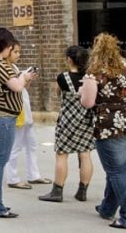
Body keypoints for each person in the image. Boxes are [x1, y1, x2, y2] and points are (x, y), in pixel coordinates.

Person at [80, 33, 126, 230]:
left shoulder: (94, 72)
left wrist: (81, 92)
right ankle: (107, 208)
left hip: (111, 131)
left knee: (117, 172)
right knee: (117, 169)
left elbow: (88, 103)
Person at [0, 27, 37, 219]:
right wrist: (24, 76)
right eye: (11, 47)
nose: (12, 50)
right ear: (5, 46)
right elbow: (17, 86)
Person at [39, 45, 94, 203]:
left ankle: (57, 190)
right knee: (85, 155)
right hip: (85, 120)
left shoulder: (63, 77)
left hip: (67, 122)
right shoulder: (89, 78)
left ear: (69, 60)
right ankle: (82, 191)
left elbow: (58, 93)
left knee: (62, 155)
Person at [4, 41, 50, 189]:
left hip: (25, 109)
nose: (18, 55)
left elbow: (22, 88)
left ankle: (34, 175)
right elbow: (14, 88)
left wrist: (27, 79)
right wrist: (23, 78)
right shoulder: (5, 69)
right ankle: (12, 178)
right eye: (15, 52)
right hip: (17, 112)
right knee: (15, 146)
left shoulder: (15, 67)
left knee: (32, 145)